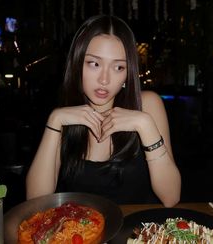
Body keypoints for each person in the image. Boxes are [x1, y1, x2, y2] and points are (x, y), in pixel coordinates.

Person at [26, 14, 181, 207]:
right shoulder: (65, 116)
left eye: (118, 67)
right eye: (94, 64)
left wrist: (146, 125)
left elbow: (171, 197)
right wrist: (55, 120)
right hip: (83, 234)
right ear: (77, 63)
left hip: (137, 232)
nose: (105, 79)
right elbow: (35, 201)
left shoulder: (147, 105)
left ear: (128, 73)